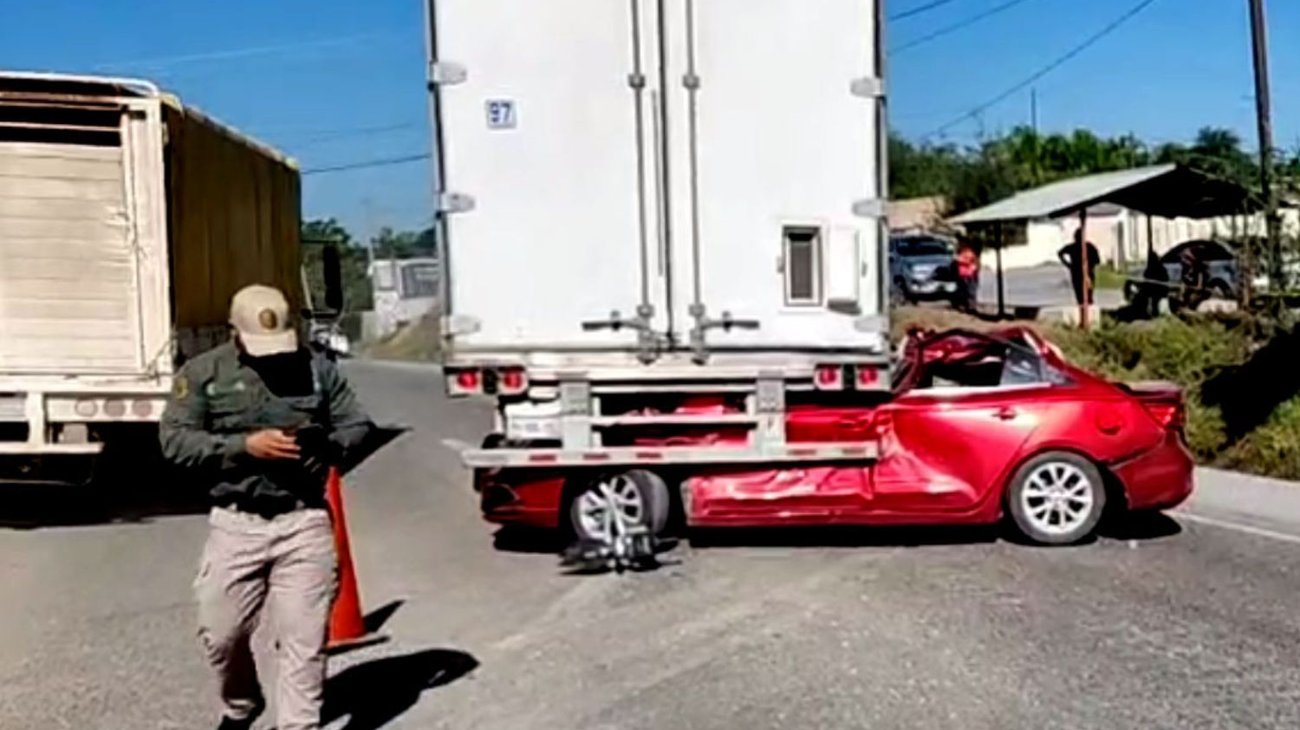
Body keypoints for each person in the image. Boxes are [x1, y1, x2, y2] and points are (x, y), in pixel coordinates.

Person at [161, 284, 374, 730]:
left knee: (304, 641)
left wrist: (331, 445)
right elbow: (175, 441)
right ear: (233, 332)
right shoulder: (203, 373)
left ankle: (298, 725)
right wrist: (244, 446)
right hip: (237, 523)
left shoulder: (317, 369)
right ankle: (242, 705)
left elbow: (357, 424)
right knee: (221, 634)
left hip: (304, 520)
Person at [1058, 229, 1101, 306]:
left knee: (1081, 296)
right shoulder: (1088, 246)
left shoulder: (1075, 247)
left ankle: (1084, 309)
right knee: (1086, 295)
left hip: (1079, 273)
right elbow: (1097, 261)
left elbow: (1060, 253)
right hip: (1085, 273)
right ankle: (1086, 309)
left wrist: (1068, 264)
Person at [954, 240, 981, 313]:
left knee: (970, 291)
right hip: (964, 274)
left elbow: (968, 261)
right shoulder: (963, 253)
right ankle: (968, 306)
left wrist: (959, 259)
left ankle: (971, 307)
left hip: (969, 274)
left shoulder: (968, 253)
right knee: (965, 291)